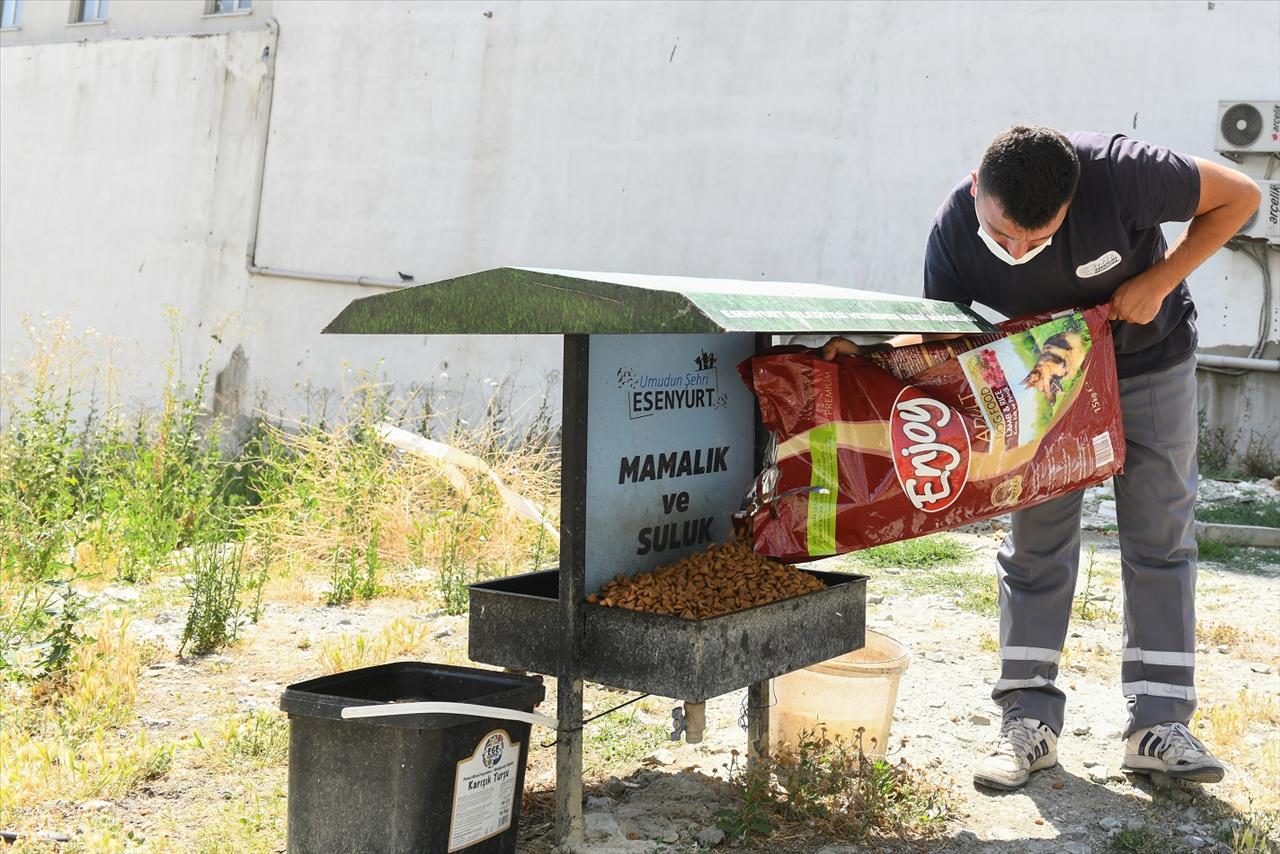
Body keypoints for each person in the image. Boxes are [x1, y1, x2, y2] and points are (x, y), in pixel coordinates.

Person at [825, 126, 1260, 791]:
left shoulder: (1124, 172)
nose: (1019, 251)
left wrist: (1161, 279)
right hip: (1040, 388)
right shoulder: (951, 230)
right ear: (977, 189)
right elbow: (943, 336)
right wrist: (872, 350)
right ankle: (1028, 724)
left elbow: (1242, 195)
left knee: (1160, 539)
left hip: (1149, 363)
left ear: (1074, 199)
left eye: (1039, 238)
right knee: (1035, 544)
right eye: (1003, 238)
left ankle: (1158, 727)